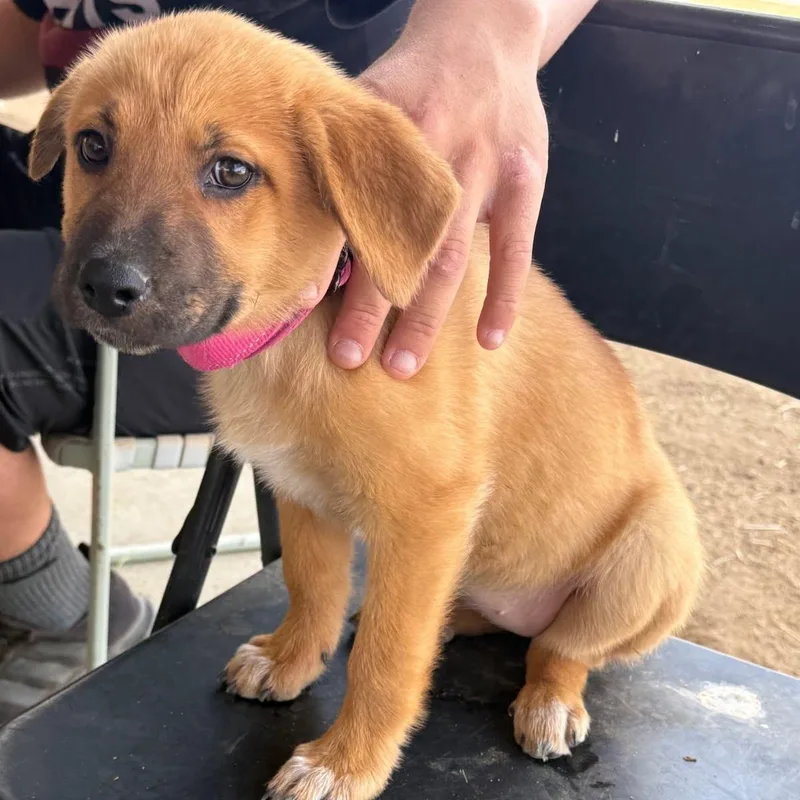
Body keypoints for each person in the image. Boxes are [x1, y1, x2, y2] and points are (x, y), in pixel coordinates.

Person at [0, 0, 598, 725]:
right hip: (450, 552)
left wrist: (490, 27)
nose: (116, 264)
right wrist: (308, 626)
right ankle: (306, 635)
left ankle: (561, 659)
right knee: (300, 456)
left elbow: (429, 504)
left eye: (226, 171)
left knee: (640, 566)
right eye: (95, 148)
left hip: (577, 555)